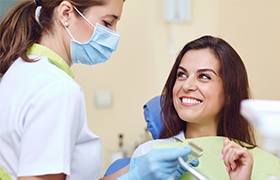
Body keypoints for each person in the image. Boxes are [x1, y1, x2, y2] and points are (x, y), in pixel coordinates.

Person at [0, 0, 197, 180]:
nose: (114, 35)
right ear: (66, 13)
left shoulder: (22, 70)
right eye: (107, 23)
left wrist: (134, 169)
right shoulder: (57, 88)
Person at [131, 35, 280, 179]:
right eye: (181, 74)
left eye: (204, 77)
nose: (187, 85)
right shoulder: (149, 156)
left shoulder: (266, 165)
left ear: (229, 93)